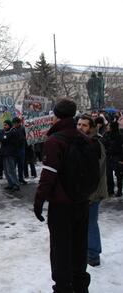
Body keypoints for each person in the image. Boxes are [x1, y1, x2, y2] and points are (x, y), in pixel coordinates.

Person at [34, 99, 94, 293]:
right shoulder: (85, 139)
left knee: (60, 250)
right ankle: (80, 285)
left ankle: (63, 288)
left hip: (62, 205)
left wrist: (39, 200)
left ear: (56, 115)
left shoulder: (55, 140)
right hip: (82, 202)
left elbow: (48, 175)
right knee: (79, 246)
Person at [77, 115, 109, 267]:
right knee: (85, 224)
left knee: (90, 224)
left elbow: (96, 173)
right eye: (79, 124)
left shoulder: (95, 144)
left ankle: (94, 255)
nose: (80, 127)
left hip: (93, 193)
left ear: (91, 127)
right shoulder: (82, 142)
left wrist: (92, 194)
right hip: (84, 192)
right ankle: (88, 252)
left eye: (84, 125)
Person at [102, 121, 123, 196]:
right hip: (109, 157)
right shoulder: (106, 135)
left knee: (118, 175)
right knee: (109, 174)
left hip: (117, 157)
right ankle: (110, 190)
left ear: (112, 127)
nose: (107, 127)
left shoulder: (119, 136)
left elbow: (120, 148)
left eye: (109, 126)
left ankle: (119, 191)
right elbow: (103, 144)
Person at [0, 120, 20, 192]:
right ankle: (10, 183)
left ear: (9, 125)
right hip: (5, 154)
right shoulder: (4, 132)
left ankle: (16, 184)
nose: (4, 126)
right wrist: (3, 137)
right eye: (4, 125)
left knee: (11, 170)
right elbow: (1, 139)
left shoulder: (13, 132)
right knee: (6, 170)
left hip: (10, 154)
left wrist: (4, 137)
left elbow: (5, 140)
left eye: (6, 125)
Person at [12, 117, 28, 184]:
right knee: (15, 166)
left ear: (18, 123)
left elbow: (24, 138)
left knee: (20, 165)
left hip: (20, 149)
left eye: (15, 123)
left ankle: (20, 178)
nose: (14, 124)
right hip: (16, 150)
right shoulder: (13, 129)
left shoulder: (22, 129)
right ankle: (16, 179)